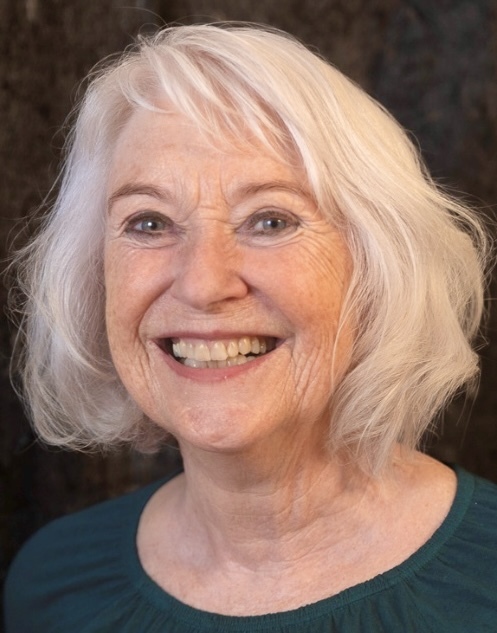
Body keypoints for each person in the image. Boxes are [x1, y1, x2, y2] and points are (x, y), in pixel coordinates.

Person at [4, 23, 496, 632]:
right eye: (149, 223)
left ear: (378, 265)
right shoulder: (51, 586)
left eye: (269, 221)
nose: (203, 283)